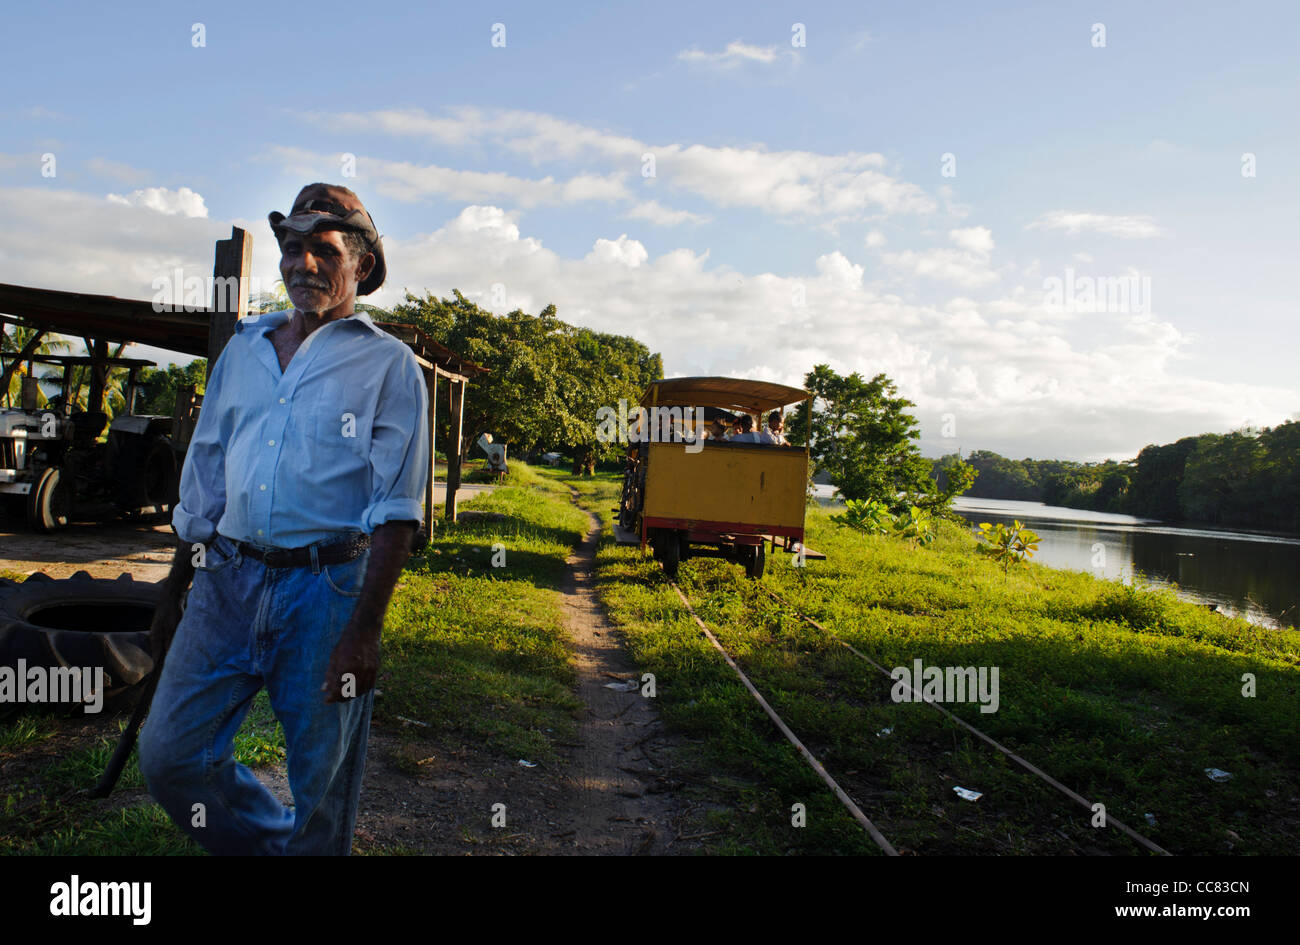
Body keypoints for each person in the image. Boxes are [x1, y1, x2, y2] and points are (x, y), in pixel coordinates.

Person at [138, 183, 430, 856]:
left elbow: (396, 514)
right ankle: (268, 846)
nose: (303, 264)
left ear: (358, 265)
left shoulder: (388, 365)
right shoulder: (243, 351)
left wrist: (365, 631)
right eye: (292, 248)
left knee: (321, 790)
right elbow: (207, 477)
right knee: (170, 755)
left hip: (326, 594)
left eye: (323, 250)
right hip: (224, 583)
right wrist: (172, 585)